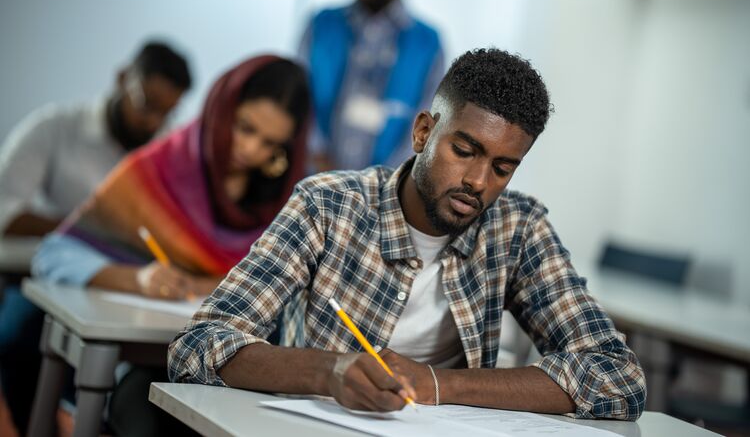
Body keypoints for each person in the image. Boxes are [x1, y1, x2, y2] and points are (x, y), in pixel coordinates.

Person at [168, 48, 647, 420]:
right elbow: (199, 345)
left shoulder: (518, 228)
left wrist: (436, 385)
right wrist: (329, 371)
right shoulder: (327, 205)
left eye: (503, 168)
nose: (479, 182)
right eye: (464, 150)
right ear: (423, 133)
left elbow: (617, 376)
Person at [32, 55, 310, 435]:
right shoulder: (159, 167)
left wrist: (212, 287)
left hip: (233, 376)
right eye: (244, 127)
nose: (250, 149)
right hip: (142, 364)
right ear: (221, 108)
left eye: (270, 144)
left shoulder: (286, 202)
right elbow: (55, 252)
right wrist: (139, 280)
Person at [0, 41, 190, 435]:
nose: (152, 121)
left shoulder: (168, 153)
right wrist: (88, 230)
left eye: (166, 112)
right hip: (48, 279)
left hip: (127, 292)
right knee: (17, 339)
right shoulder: (56, 127)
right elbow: (4, 210)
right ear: (123, 78)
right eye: (146, 103)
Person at [300, 0, 444, 172]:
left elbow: (429, 117)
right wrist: (317, 155)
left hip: (384, 186)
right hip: (314, 173)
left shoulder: (427, 44)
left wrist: (384, 179)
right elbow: (299, 96)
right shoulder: (322, 25)